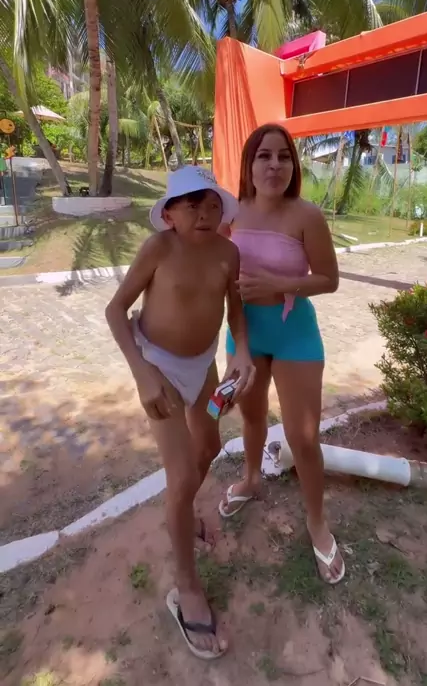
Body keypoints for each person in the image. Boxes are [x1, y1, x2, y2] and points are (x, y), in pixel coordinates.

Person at [105, 165, 255, 660]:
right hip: (159, 367)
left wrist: (241, 352)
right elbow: (115, 310)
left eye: (212, 205)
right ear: (169, 214)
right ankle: (186, 587)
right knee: (181, 474)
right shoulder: (158, 249)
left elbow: (235, 312)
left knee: (209, 446)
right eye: (192, 205)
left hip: (203, 366)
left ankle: (182, 510)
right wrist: (142, 375)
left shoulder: (228, 253)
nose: (204, 214)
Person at [218, 124, 345, 584]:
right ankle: (252, 479)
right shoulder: (230, 214)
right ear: (249, 165)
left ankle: (317, 522)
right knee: (251, 418)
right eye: (264, 156)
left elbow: (329, 279)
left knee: (303, 437)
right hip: (245, 334)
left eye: (284, 156)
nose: (274, 165)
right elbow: (218, 277)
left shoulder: (307, 215)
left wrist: (279, 284)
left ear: (293, 165)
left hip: (295, 335)